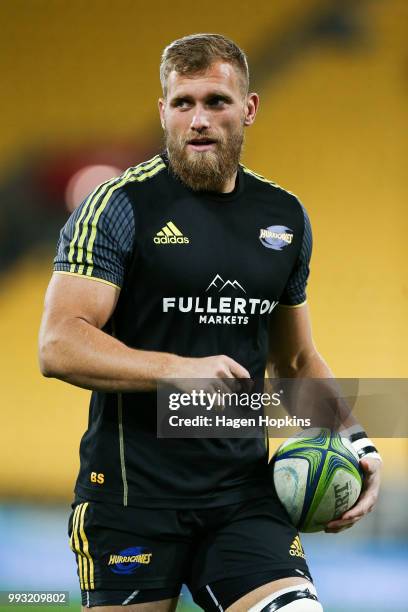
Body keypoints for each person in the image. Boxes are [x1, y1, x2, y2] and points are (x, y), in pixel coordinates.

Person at [39, 33, 381, 612]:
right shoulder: (117, 206)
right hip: (131, 502)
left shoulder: (284, 217)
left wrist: (355, 439)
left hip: (244, 498)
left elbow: (296, 360)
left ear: (248, 109)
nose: (198, 119)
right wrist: (176, 370)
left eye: (216, 102)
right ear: (164, 112)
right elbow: (58, 344)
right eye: (183, 103)